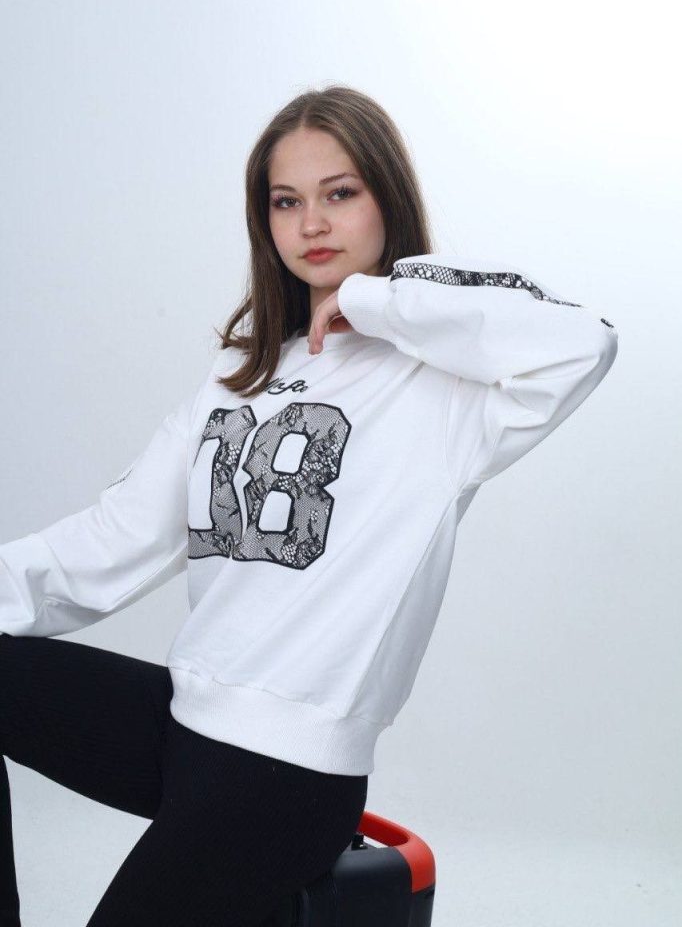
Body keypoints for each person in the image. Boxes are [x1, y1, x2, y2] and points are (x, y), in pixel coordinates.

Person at [0, 84, 618, 926]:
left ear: (385, 196)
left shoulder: (447, 385)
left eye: (341, 192)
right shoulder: (240, 375)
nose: (312, 224)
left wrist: (371, 299)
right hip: (186, 723)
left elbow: (584, 342)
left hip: (286, 775)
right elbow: (110, 541)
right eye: (286, 202)